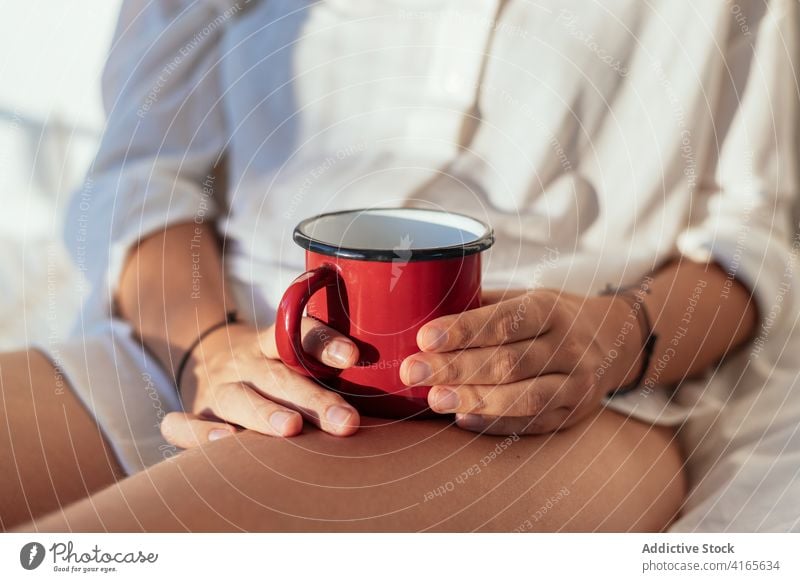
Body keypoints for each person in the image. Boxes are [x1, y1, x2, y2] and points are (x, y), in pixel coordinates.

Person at [2, 0, 796, 532]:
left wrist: (621, 337)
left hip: (546, 402)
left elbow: (754, 232)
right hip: (197, 342)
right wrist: (206, 348)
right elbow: (142, 180)